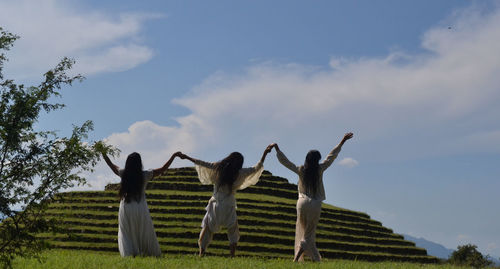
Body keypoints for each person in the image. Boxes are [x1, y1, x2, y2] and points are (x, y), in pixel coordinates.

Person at [178, 144, 274, 257]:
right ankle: (232, 255)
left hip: (216, 204)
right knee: (233, 230)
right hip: (229, 204)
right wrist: (264, 154)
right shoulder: (239, 173)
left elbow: (201, 162)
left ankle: (201, 253)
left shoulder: (217, 167)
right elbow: (256, 168)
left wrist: (186, 157)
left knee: (207, 228)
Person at [273, 132, 353, 262]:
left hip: (301, 203)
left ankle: (316, 259)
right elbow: (331, 156)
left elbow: (286, 163)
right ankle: (296, 258)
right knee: (308, 234)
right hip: (314, 204)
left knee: (303, 230)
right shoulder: (320, 169)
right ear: (317, 160)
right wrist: (342, 141)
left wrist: (277, 149)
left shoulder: (301, 170)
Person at [102, 151, 181, 257]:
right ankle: (148, 253)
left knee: (126, 232)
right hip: (140, 207)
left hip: (126, 207)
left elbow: (111, 165)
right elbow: (163, 169)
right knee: (144, 230)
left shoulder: (123, 173)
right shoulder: (145, 175)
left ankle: (129, 253)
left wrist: (103, 153)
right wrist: (174, 156)